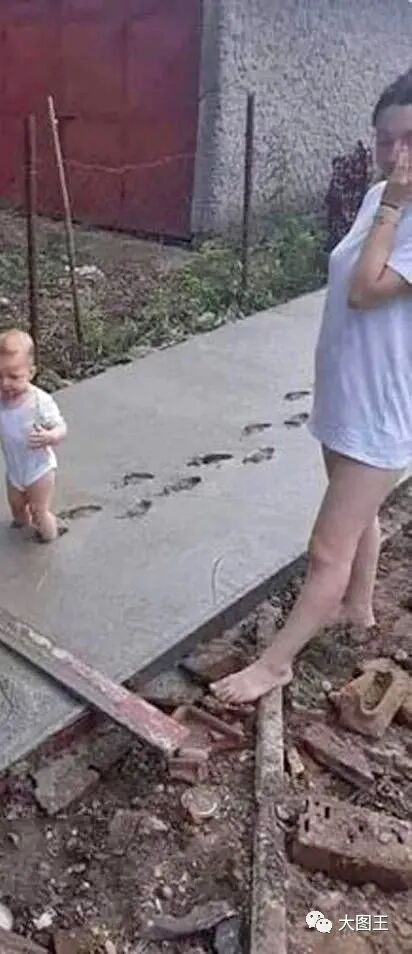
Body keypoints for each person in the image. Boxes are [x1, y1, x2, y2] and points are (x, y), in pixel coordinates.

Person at [213, 69, 412, 705]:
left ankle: (276, 665)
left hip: (382, 409)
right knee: (359, 515)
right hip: (345, 390)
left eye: (410, 139)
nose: (396, 155)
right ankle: (357, 607)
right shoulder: (379, 195)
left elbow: (365, 290)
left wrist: (393, 203)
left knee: (327, 549)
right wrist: (388, 199)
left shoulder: (394, 204)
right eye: (385, 139)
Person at [0, 329, 67, 542]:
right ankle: (22, 525)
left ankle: (49, 535)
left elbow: (61, 428)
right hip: (14, 470)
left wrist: (50, 436)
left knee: (39, 510)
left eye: (14, 376)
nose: (5, 383)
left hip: (39, 469)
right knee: (16, 507)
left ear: (31, 373)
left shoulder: (39, 401)